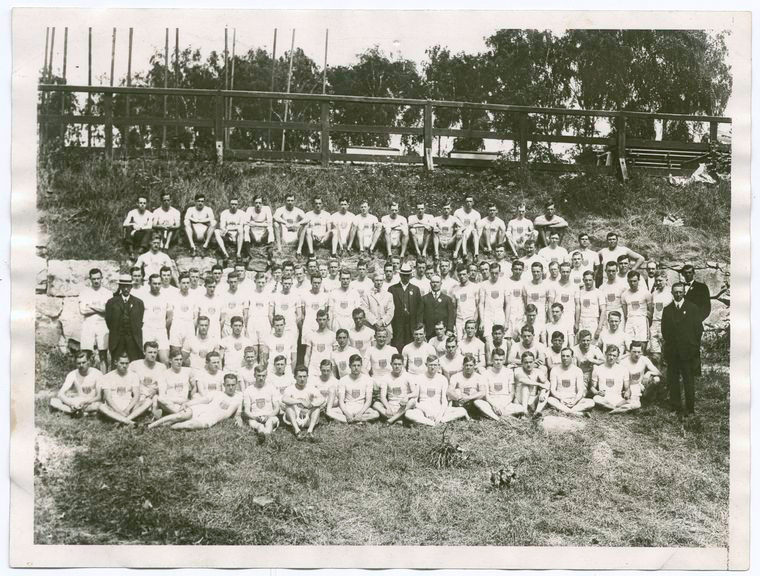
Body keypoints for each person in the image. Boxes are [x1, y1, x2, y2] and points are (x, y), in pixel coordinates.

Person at [661, 282, 703, 417]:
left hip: (687, 352)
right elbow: (664, 331)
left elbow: (698, 330)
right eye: (675, 292)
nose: (678, 294)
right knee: (673, 380)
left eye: (680, 292)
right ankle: (676, 407)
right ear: (672, 293)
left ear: (684, 292)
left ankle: (690, 409)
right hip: (673, 351)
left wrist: (693, 346)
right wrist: (670, 345)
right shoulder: (667, 310)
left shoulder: (693, 308)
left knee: (688, 381)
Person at [149, 373, 243, 430]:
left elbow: (238, 415)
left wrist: (239, 421)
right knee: (180, 415)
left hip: (210, 418)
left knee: (189, 425)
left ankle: (169, 425)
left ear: (236, 385)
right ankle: (151, 426)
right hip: (201, 409)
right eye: (228, 385)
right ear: (224, 385)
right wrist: (186, 404)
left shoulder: (238, 398)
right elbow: (201, 400)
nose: (231, 387)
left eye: (233, 385)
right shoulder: (217, 393)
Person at [406, 355, 468, 426]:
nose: (433, 367)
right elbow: (415, 401)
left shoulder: (442, 379)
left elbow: (444, 401)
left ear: (438, 365)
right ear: (426, 365)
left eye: (435, 365)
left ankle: (439, 420)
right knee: (408, 414)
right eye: (430, 365)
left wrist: (440, 415)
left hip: (438, 408)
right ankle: (432, 423)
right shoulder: (420, 378)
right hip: (423, 409)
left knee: (462, 410)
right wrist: (426, 411)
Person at [104, 274, 145, 364]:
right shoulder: (112, 302)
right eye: (123, 286)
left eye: (128, 286)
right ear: (120, 287)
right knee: (117, 363)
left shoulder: (138, 303)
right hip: (117, 339)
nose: (126, 289)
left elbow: (139, 321)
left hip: (133, 339)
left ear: (131, 287)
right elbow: (109, 321)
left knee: (134, 364)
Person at [97, 353, 146, 425]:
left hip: (129, 407)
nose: (124, 366)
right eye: (122, 363)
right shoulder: (108, 376)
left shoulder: (134, 375)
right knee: (101, 406)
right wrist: (119, 411)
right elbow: (108, 398)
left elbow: (136, 395)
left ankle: (121, 420)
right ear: (116, 362)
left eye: (126, 363)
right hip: (114, 407)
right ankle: (130, 422)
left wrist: (127, 409)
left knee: (148, 401)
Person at [49, 351, 103, 416]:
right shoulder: (72, 374)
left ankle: (73, 412)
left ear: (89, 361)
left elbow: (99, 397)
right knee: (53, 401)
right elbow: (60, 393)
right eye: (78, 363)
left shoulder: (97, 373)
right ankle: (82, 413)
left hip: (92, 402)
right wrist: (71, 404)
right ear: (75, 363)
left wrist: (86, 402)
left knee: (99, 406)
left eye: (83, 362)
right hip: (78, 402)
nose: (81, 365)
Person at [79, 267, 111, 373]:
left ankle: (104, 379)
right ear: (90, 279)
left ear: (102, 278)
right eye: (94, 279)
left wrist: (91, 306)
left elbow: (107, 311)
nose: (96, 281)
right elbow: (83, 310)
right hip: (88, 324)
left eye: (98, 278)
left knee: (103, 354)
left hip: (102, 324)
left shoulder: (107, 293)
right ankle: (86, 378)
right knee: (86, 353)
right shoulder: (84, 292)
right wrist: (100, 309)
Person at [681, 263, 711, 376]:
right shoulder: (679, 287)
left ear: (693, 273)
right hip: (681, 325)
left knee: (694, 348)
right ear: (682, 274)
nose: (687, 275)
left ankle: (696, 374)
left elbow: (706, 308)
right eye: (685, 273)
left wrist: (696, 320)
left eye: (690, 273)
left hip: (695, 325)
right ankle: (684, 372)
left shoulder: (702, 287)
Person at [546, 347, 595, 416]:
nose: (565, 358)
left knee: (591, 402)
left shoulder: (578, 371)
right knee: (550, 400)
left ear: (572, 357)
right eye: (563, 356)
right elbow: (553, 389)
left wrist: (575, 400)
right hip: (560, 399)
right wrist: (560, 399)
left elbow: (580, 390)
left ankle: (566, 411)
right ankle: (578, 413)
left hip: (573, 399)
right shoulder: (554, 370)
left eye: (567, 356)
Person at [281, 366, 325, 439]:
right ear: (295, 377)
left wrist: (311, 405)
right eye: (300, 376)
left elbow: (322, 398)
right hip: (295, 417)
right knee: (288, 406)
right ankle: (297, 431)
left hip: (308, 417)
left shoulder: (311, 387)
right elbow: (284, 399)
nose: (302, 379)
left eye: (304, 376)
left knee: (317, 407)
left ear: (307, 377)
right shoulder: (290, 388)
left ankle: (309, 431)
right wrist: (300, 401)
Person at [333, 354, 380, 424]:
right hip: (348, 407)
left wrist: (360, 413)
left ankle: (349, 420)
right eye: (354, 365)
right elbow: (341, 401)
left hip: (361, 407)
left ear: (361, 366)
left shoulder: (368, 379)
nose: (356, 368)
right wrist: (347, 414)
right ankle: (357, 420)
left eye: (358, 365)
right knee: (330, 412)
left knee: (376, 414)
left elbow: (369, 401)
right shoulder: (343, 380)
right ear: (349, 366)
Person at [388, 263, 423, 351]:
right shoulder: (393, 289)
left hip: (411, 325)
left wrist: (418, 324)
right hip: (397, 324)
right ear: (400, 275)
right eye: (403, 275)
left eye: (407, 275)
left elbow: (419, 309)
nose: (405, 277)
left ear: (410, 275)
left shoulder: (415, 289)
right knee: (397, 346)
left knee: (411, 347)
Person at [139, 274, 172, 365]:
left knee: (164, 360)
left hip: (161, 331)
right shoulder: (143, 297)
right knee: (148, 359)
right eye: (154, 283)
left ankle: (164, 379)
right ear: (149, 283)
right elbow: (139, 316)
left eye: (159, 283)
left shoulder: (166, 297)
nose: (157, 286)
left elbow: (169, 318)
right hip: (147, 330)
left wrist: (162, 328)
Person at [242, 365, 281, 441]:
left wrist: (268, 416)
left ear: (266, 375)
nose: (261, 378)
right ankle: (262, 433)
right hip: (255, 416)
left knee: (269, 423)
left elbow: (277, 408)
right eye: (259, 375)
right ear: (254, 375)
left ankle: (264, 436)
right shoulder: (248, 390)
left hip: (269, 416)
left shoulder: (272, 388)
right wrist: (254, 417)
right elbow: (246, 410)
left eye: (263, 375)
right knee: (258, 425)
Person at [129, 340, 167, 416]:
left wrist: (156, 391)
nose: (153, 355)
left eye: (155, 352)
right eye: (150, 352)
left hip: (154, 396)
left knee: (157, 398)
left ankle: (152, 411)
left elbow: (164, 385)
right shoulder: (135, 365)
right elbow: (128, 381)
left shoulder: (162, 367)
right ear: (144, 352)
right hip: (139, 396)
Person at [620, 342, 661, 409]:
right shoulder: (624, 362)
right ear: (630, 352)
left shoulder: (644, 359)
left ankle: (648, 400)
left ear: (642, 352)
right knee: (634, 402)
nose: (637, 354)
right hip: (630, 386)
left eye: (639, 352)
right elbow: (620, 379)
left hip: (642, 384)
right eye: (634, 352)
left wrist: (649, 373)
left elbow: (658, 372)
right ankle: (630, 402)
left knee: (656, 379)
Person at [589, 345, 631, 412]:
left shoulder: (623, 369)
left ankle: (611, 408)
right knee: (596, 398)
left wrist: (627, 393)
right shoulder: (598, 369)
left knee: (635, 403)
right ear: (605, 354)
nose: (611, 357)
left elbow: (627, 388)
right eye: (610, 355)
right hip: (604, 398)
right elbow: (592, 387)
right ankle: (616, 409)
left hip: (618, 399)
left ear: (617, 357)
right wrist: (597, 392)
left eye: (614, 356)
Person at [621, 270, 653, 350]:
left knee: (642, 345)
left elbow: (651, 311)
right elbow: (625, 313)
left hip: (641, 320)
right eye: (630, 281)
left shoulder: (646, 293)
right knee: (628, 345)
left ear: (639, 280)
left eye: (635, 281)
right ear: (627, 281)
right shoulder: (624, 295)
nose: (632, 283)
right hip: (630, 320)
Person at [157, 350, 194, 415]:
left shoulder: (188, 371)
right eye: (176, 360)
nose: (179, 362)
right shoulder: (164, 374)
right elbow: (162, 394)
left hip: (184, 401)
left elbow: (194, 387)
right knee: (160, 399)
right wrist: (176, 401)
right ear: (170, 361)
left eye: (180, 359)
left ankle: (179, 414)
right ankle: (181, 414)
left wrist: (191, 398)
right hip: (171, 403)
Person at [513, 351, 550, 415]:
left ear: (534, 362)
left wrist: (542, 392)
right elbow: (522, 380)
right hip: (520, 399)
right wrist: (539, 384)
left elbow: (547, 383)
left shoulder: (538, 371)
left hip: (532, 399)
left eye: (530, 362)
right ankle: (525, 412)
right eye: (526, 362)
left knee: (546, 390)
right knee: (525, 386)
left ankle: (537, 412)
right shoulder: (518, 370)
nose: (528, 364)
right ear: (522, 363)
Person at [649, 271, 673, 366]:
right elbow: (652, 309)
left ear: (666, 280)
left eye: (660, 280)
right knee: (654, 349)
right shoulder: (654, 294)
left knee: (666, 347)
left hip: (667, 323)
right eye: (656, 281)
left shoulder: (671, 292)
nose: (658, 283)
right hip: (655, 322)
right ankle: (657, 372)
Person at [420, 274, 456, 339]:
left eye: (437, 282)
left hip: (443, 331)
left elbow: (451, 315)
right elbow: (420, 316)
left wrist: (449, 329)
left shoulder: (447, 299)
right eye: (433, 282)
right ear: (430, 283)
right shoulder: (424, 299)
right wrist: (422, 330)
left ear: (441, 283)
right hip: (428, 331)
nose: (435, 284)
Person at [303, 309, 336, 376]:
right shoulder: (311, 335)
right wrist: (306, 371)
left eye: (324, 319)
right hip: (313, 369)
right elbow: (307, 355)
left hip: (327, 369)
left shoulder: (333, 335)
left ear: (328, 320)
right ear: (316, 320)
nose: (322, 322)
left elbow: (335, 356)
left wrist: (334, 373)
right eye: (320, 319)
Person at [572, 329, 605, 395]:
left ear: (590, 340)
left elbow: (604, 361)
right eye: (583, 340)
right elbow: (573, 368)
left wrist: (592, 360)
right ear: (579, 340)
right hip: (581, 374)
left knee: (596, 367)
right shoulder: (574, 350)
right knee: (582, 392)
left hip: (593, 374)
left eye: (588, 340)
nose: (586, 343)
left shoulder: (594, 348)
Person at [363, 273, 395, 341]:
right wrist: (375, 321)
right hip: (371, 326)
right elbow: (365, 310)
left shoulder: (389, 295)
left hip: (385, 327)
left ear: (383, 280)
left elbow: (390, 311)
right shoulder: (366, 294)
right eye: (377, 280)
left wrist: (382, 321)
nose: (379, 283)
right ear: (373, 281)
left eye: (381, 280)